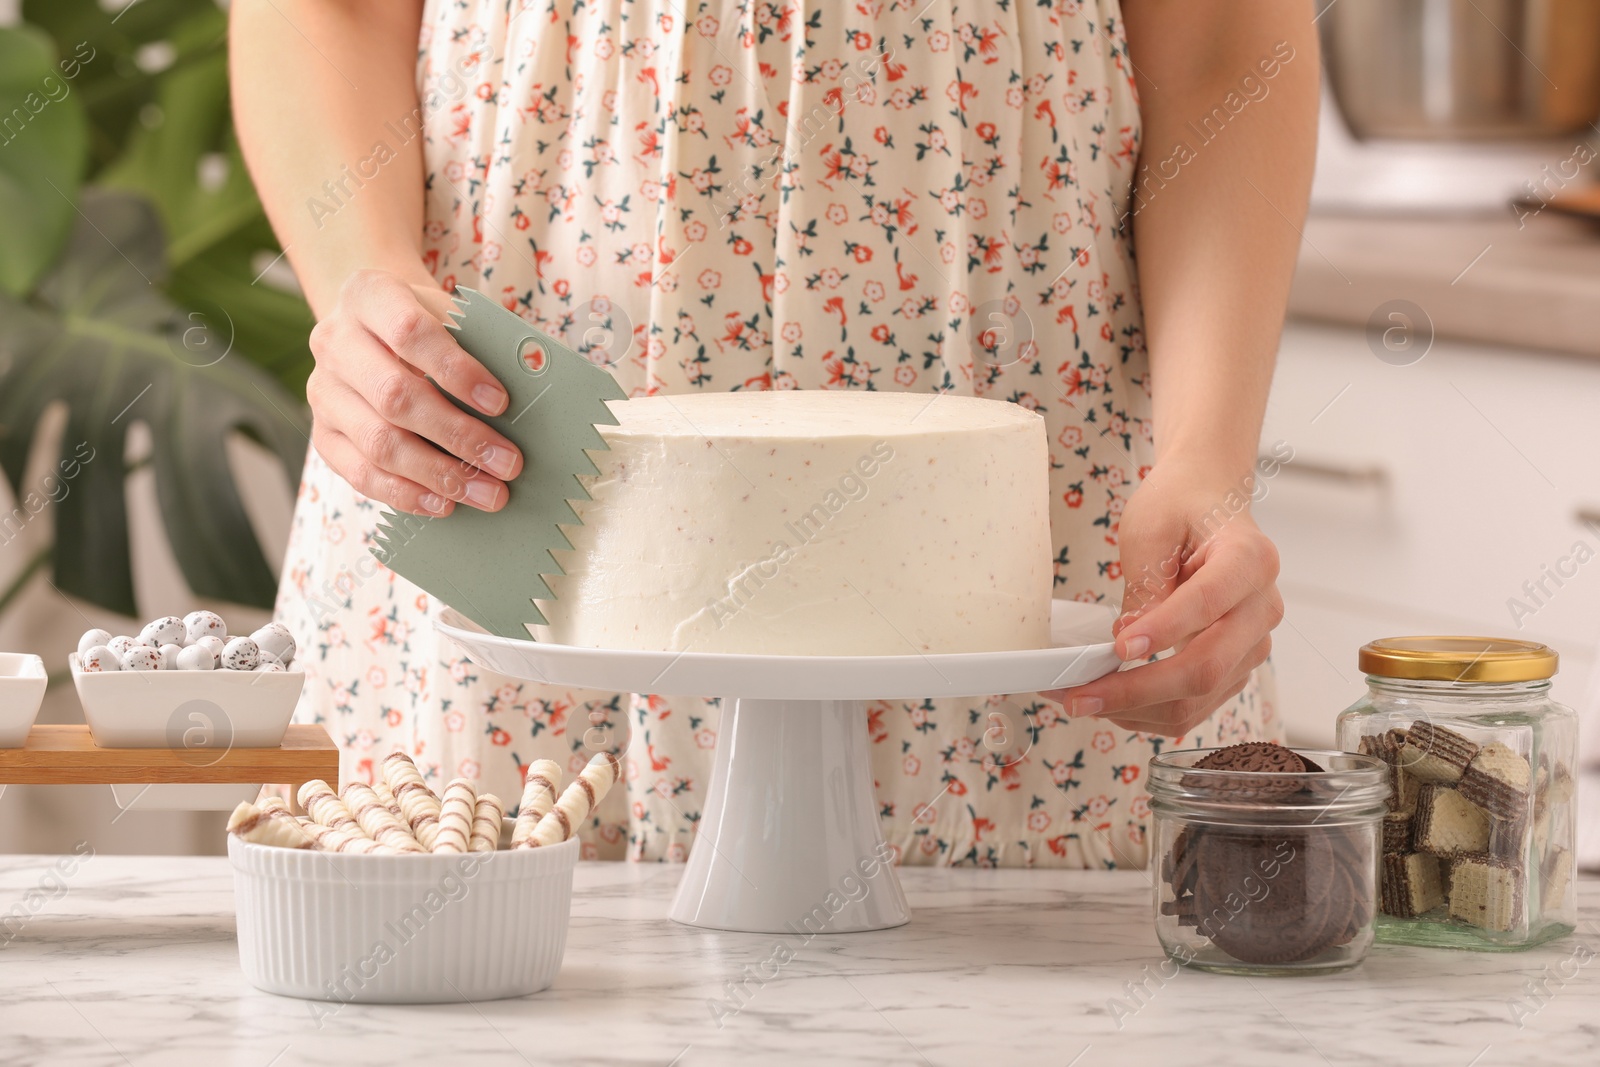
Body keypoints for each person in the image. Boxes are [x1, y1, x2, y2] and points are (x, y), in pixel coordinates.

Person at [232, 0, 1316, 867]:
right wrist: (365, 279)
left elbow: (1224, 48)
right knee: (467, 942)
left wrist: (1205, 459)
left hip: (1043, 520)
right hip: (489, 469)